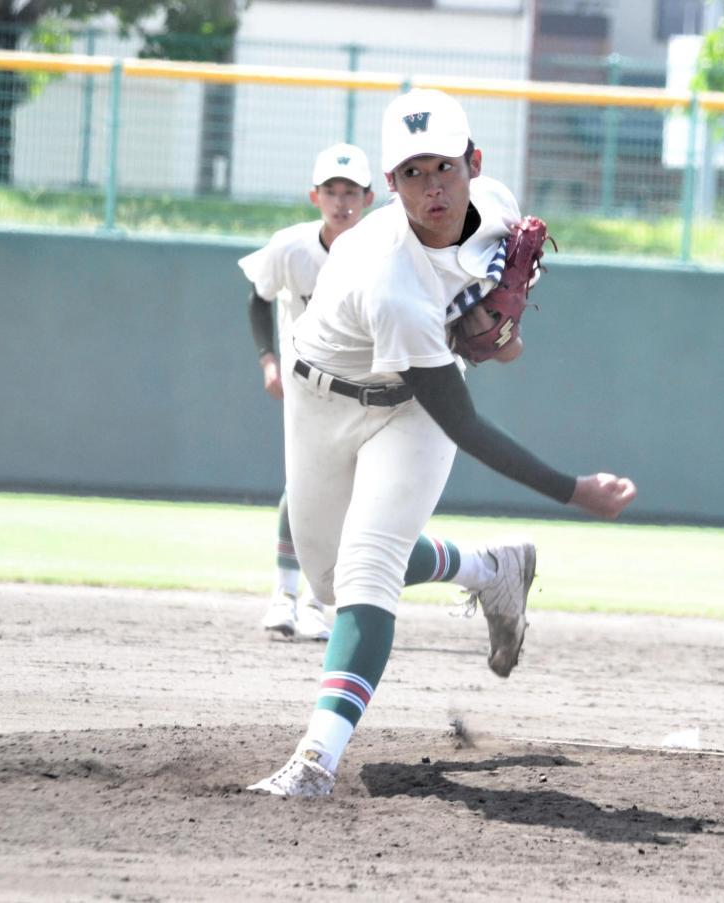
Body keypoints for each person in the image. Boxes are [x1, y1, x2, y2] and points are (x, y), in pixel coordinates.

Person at [247, 89, 636, 797]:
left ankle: (314, 761)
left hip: (411, 411)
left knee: (369, 568)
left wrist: (505, 331)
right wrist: (572, 490)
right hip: (321, 396)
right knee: (331, 581)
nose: (433, 187)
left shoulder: (501, 208)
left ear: (474, 163)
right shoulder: (387, 275)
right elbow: (466, 422)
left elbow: (501, 326)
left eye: (445, 168)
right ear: (389, 185)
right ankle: (489, 569)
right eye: (412, 173)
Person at [239, 143, 532, 642]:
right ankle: (288, 596)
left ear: (372, 195)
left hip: (393, 395)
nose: (341, 201)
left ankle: (315, 600)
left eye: (351, 191)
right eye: (331, 190)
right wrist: (269, 361)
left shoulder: (398, 251)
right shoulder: (293, 248)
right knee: (309, 496)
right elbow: (258, 299)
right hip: (317, 387)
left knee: (362, 525)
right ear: (316, 196)